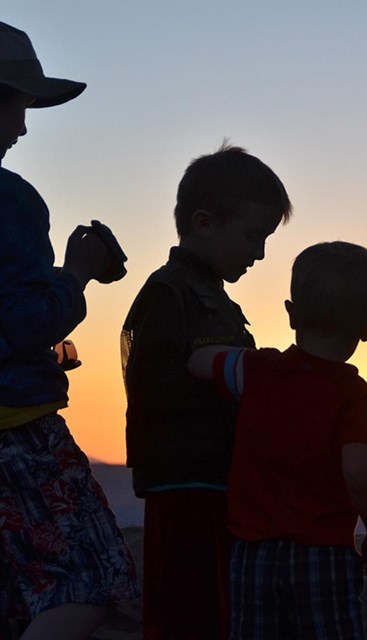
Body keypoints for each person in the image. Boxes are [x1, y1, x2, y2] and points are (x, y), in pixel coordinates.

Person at [0, 21, 139, 640]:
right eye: (19, 107)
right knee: (92, 579)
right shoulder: (12, 201)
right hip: (17, 431)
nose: (23, 127)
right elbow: (26, 323)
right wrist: (77, 274)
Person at [121, 143, 292, 639]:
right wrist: (242, 381)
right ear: (204, 222)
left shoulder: (214, 297)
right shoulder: (167, 293)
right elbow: (152, 388)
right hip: (183, 485)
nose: (258, 253)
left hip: (217, 483)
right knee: (186, 614)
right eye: (252, 236)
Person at [188, 240, 367, 639]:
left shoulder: (256, 369)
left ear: (291, 314)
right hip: (323, 554)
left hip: (251, 554)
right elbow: (357, 469)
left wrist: (235, 355)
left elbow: (197, 363)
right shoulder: (355, 395)